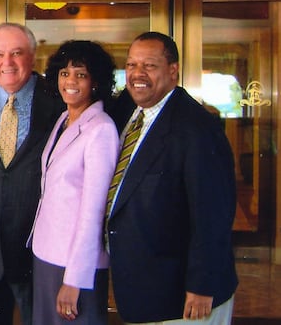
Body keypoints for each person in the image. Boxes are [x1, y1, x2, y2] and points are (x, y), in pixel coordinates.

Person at [106, 31, 238, 324]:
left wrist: (202, 285)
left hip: (182, 296)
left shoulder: (197, 129)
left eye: (149, 66)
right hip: (142, 287)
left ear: (172, 71)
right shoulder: (126, 111)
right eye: (131, 65)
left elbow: (213, 215)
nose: (137, 74)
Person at [0, 22, 65, 325]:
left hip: (37, 244)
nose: (7, 62)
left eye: (17, 53)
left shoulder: (58, 104)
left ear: (32, 57)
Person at [29, 41, 119, 324]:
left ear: (95, 82)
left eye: (80, 74)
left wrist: (75, 280)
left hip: (75, 265)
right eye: (65, 73)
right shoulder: (65, 118)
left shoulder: (101, 128)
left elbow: (93, 211)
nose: (70, 81)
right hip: (47, 252)